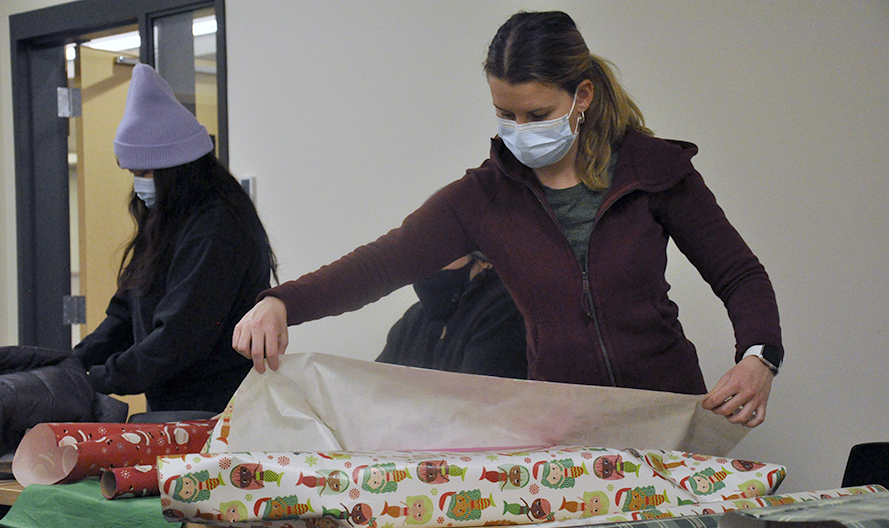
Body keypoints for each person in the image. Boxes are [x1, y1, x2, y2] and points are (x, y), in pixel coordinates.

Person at [233, 10, 782, 428]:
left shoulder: (654, 171)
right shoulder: (483, 197)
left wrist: (758, 358)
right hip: (562, 428)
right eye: (505, 114)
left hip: (667, 414)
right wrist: (283, 301)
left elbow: (740, 275)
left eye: (537, 114)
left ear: (581, 95)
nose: (519, 129)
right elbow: (383, 263)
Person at [73, 64, 276, 414]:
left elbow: (177, 340)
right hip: (173, 411)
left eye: (144, 173)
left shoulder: (218, 227)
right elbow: (123, 316)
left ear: (176, 169)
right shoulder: (167, 219)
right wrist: (72, 365)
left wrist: (98, 379)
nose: (138, 184)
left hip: (220, 415)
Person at [376, 252, 527, 379]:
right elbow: (375, 390)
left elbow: (476, 398)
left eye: (441, 252)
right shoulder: (414, 318)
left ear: (484, 261)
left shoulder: (504, 308)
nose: (428, 264)